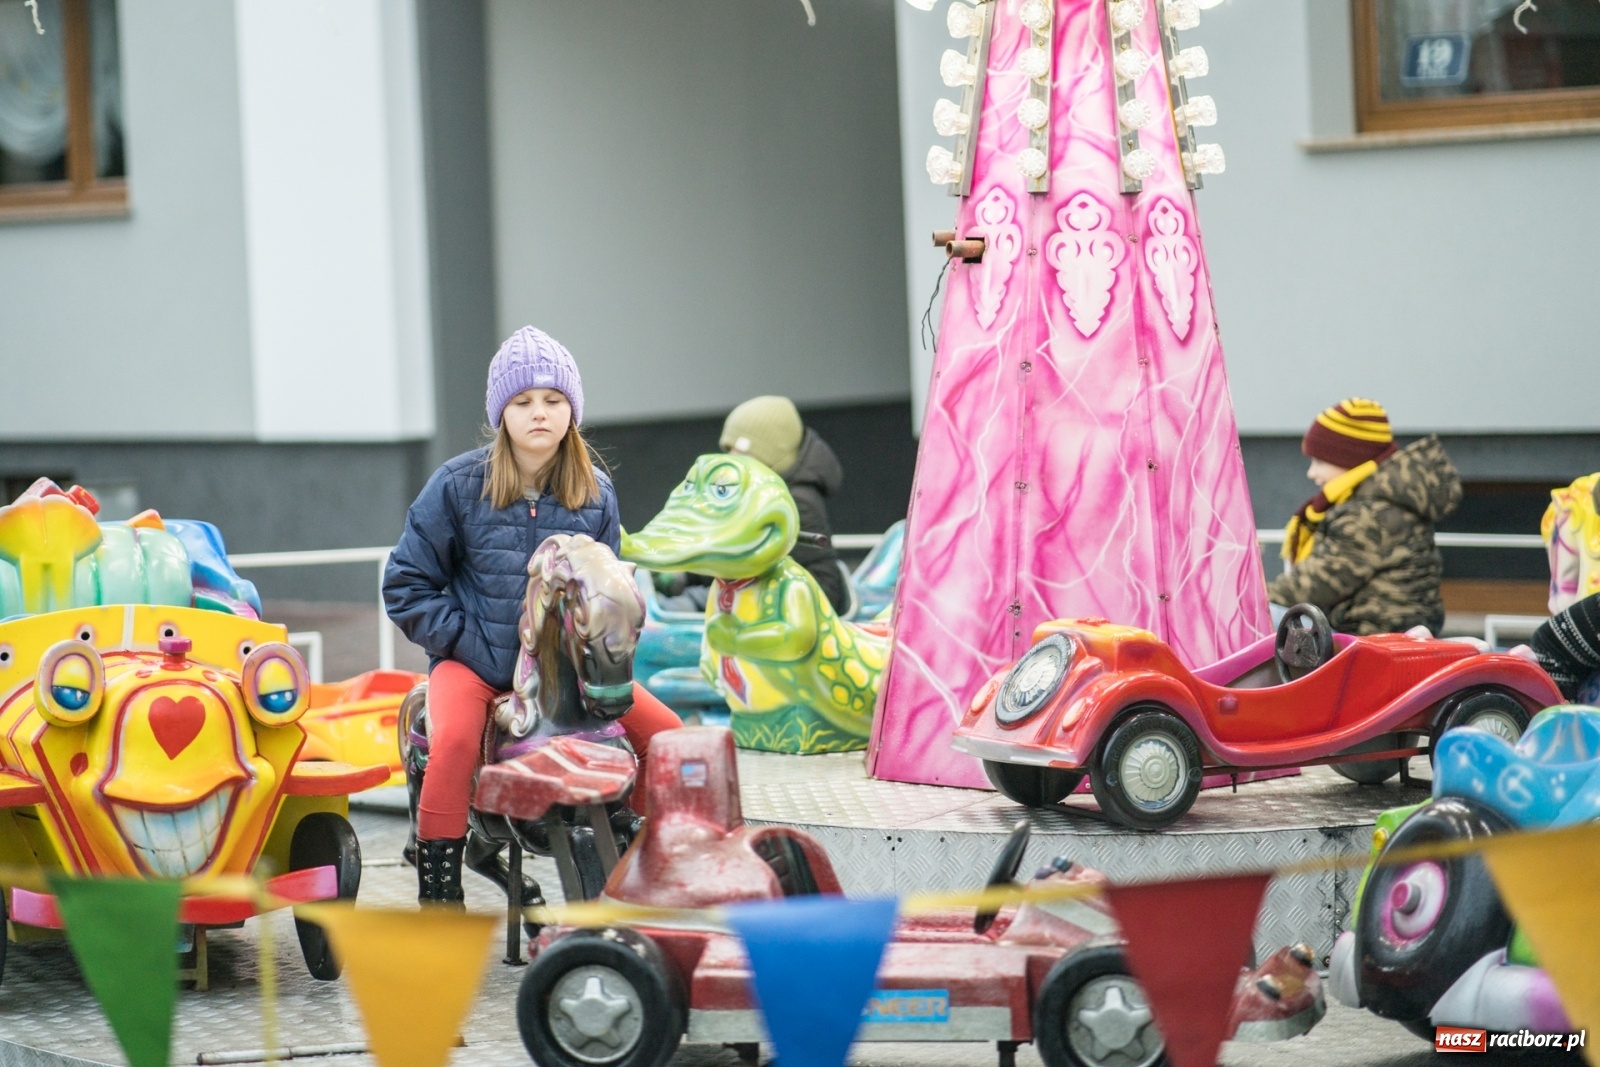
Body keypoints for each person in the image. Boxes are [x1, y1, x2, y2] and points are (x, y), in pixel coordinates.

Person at [383, 325, 681, 906]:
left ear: (572, 410)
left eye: (553, 401)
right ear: (502, 414)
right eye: (522, 402)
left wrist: (597, 663)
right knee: (454, 745)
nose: (538, 413)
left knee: (668, 737)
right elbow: (406, 585)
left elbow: (605, 595)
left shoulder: (596, 492)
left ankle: (632, 851)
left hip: (560, 672)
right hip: (474, 662)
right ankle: (440, 891)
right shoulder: (456, 485)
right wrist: (470, 643)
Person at [1267, 398, 1461, 636]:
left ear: (1348, 460)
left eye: (1319, 461)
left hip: (1371, 634)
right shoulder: (1381, 503)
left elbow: (1320, 582)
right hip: (1386, 629)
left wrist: (1254, 600)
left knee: (1264, 618)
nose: (1312, 473)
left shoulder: (1370, 515)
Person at [656, 395, 852, 615]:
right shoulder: (755, 493)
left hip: (776, 614)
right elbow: (734, 554)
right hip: (746, 596)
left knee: (678, 610)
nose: (729, 459)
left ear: (770, 452)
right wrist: (686, 572)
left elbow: (824, 586)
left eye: (739, 451)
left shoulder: (795, 503)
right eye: (727, 450)